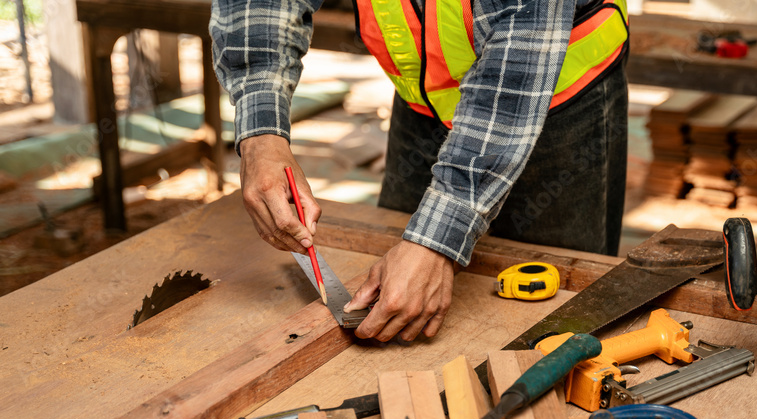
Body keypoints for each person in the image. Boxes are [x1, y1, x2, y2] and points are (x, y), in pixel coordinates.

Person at [210, 0, 629, 342]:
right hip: (422, 101)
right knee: (396, 300)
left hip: (553, 102)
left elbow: (520, 53)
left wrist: (436, 240)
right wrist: (262, 129)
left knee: (562, 330)